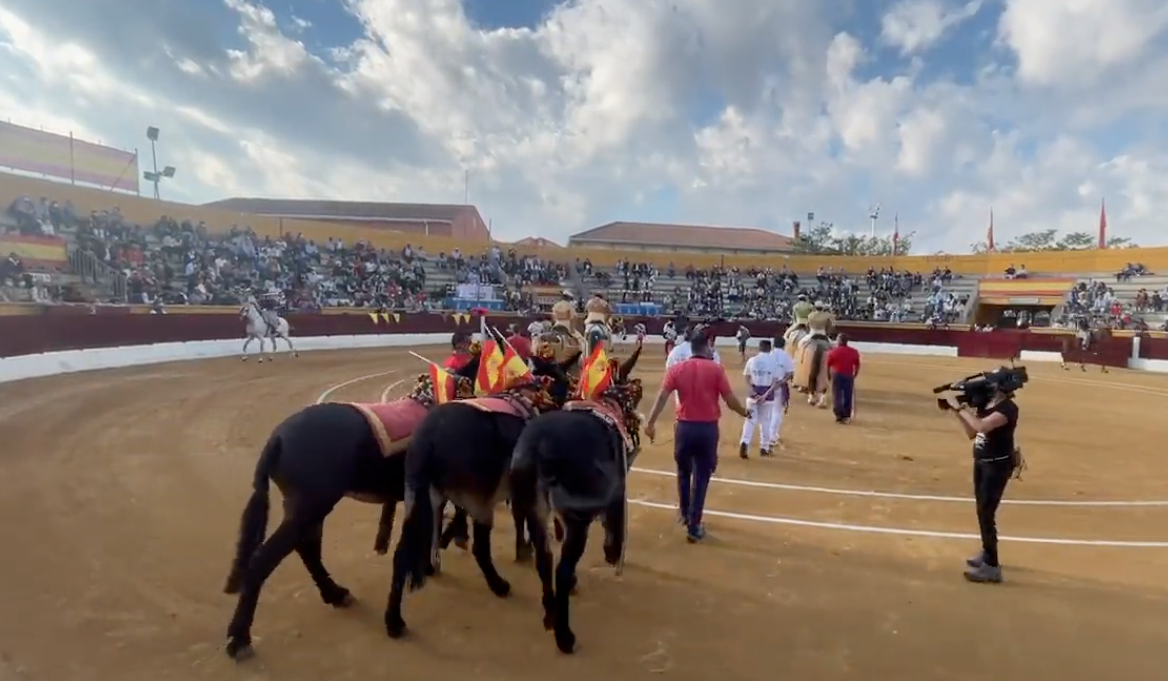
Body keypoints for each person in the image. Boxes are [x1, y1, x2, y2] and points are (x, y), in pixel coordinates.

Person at [645, 331, 751, 543]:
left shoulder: (677, 368)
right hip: (707, 428)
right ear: (706, 346)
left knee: (683, 472)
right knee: (702, 475)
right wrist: (745, 413)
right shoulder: (716, 369)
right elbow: (730, 401)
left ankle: (685, 513)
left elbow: (662, 397)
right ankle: (694, 524)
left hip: (684, 427)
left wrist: (650, 422)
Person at [937, 374, 1021, 584]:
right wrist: (955, 411)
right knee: (982, 510)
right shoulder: (988, 404)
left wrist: (959, 407)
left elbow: (982, 426)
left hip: (997, 465)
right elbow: (972, 432)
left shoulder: (1008, 409)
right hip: (982, 461)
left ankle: (992, 566)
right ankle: (987, 552)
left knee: (986, 512)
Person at [738, 338, 784, 459]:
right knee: (765, 421)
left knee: (750, 420)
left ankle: (745, 441)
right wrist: (765, 395)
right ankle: (764, 447)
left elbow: (747, 377)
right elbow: (775, 382)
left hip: (754, 391)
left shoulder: (752, 360)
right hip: (767, 393)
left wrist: (752, 391)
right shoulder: (774, 362)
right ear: (770, 349)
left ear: (759, 348)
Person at [767, 337, 796, 447]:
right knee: (777, 411)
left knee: (768, 411)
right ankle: (772, 435)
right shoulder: (786, 356)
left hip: (767, 385)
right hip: (780, 385)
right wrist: (783, 380)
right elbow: (790, 372)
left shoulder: (769, 355)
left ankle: (770, 434)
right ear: (784, 345)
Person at [825, 333, 860, 423]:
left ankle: (839, 414)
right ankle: (846, 415)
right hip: (848, 375)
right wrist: (855, 374)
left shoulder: (833, 352)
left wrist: (828, 375)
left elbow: (828, 365)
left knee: (837, 395)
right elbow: (857, 364)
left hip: (837, 375)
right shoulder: (854, 351)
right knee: (847, 395)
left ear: (839, 341)